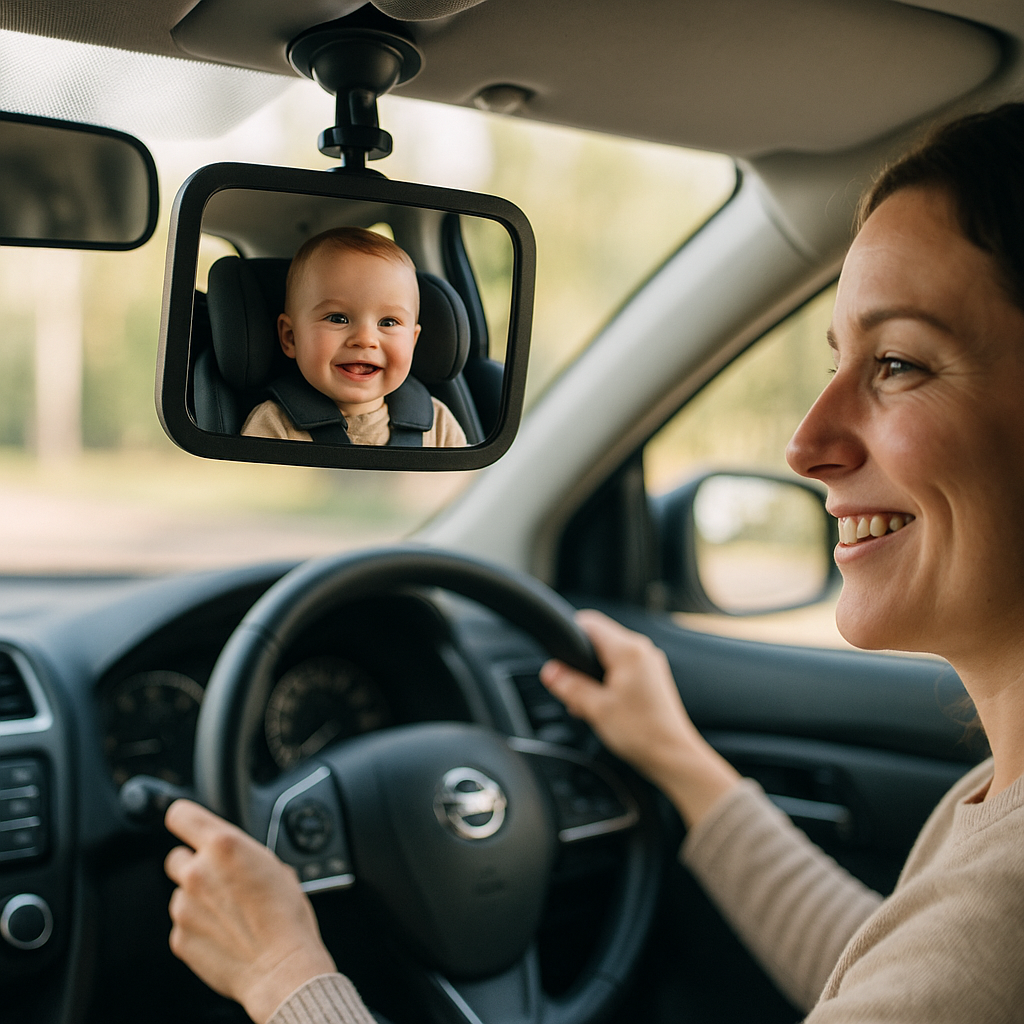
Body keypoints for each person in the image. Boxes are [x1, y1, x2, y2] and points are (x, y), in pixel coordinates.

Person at [165, 103, 1024, 1023]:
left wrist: (283, 973)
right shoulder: (991, 825)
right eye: (836, 364)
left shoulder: (1002, 909)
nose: (805, 443)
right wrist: (678, 759)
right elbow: (877, 971)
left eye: (896, 363)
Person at [241, 226, 467, 448]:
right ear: (291, 338)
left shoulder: (437, 426)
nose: (365, 339)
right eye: (338, 318)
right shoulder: (273, 427)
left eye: (388, 322)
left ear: (413, 342)